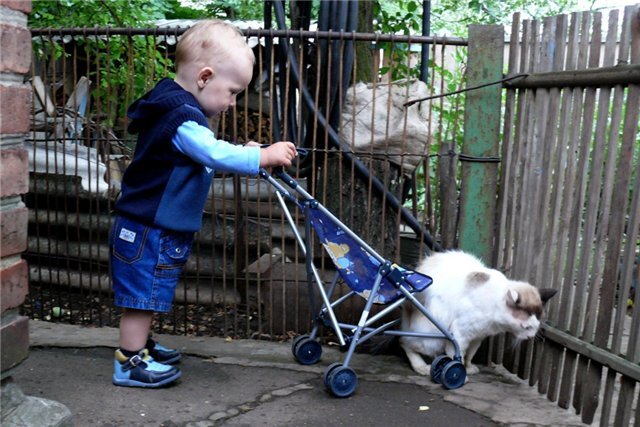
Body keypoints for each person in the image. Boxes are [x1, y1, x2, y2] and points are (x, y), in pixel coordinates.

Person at [110, 19, 297, 388]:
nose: (232, 103)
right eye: (231, 92)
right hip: (147, 227)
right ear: (205, 76)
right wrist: (261, 157)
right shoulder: (182, 119)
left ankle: (140, 348)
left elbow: (204, 156)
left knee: (148, 294)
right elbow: (211, 153)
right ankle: (129, 363)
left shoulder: (174, 109)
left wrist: (245, 153)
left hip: (150, 225)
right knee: (142, 298)